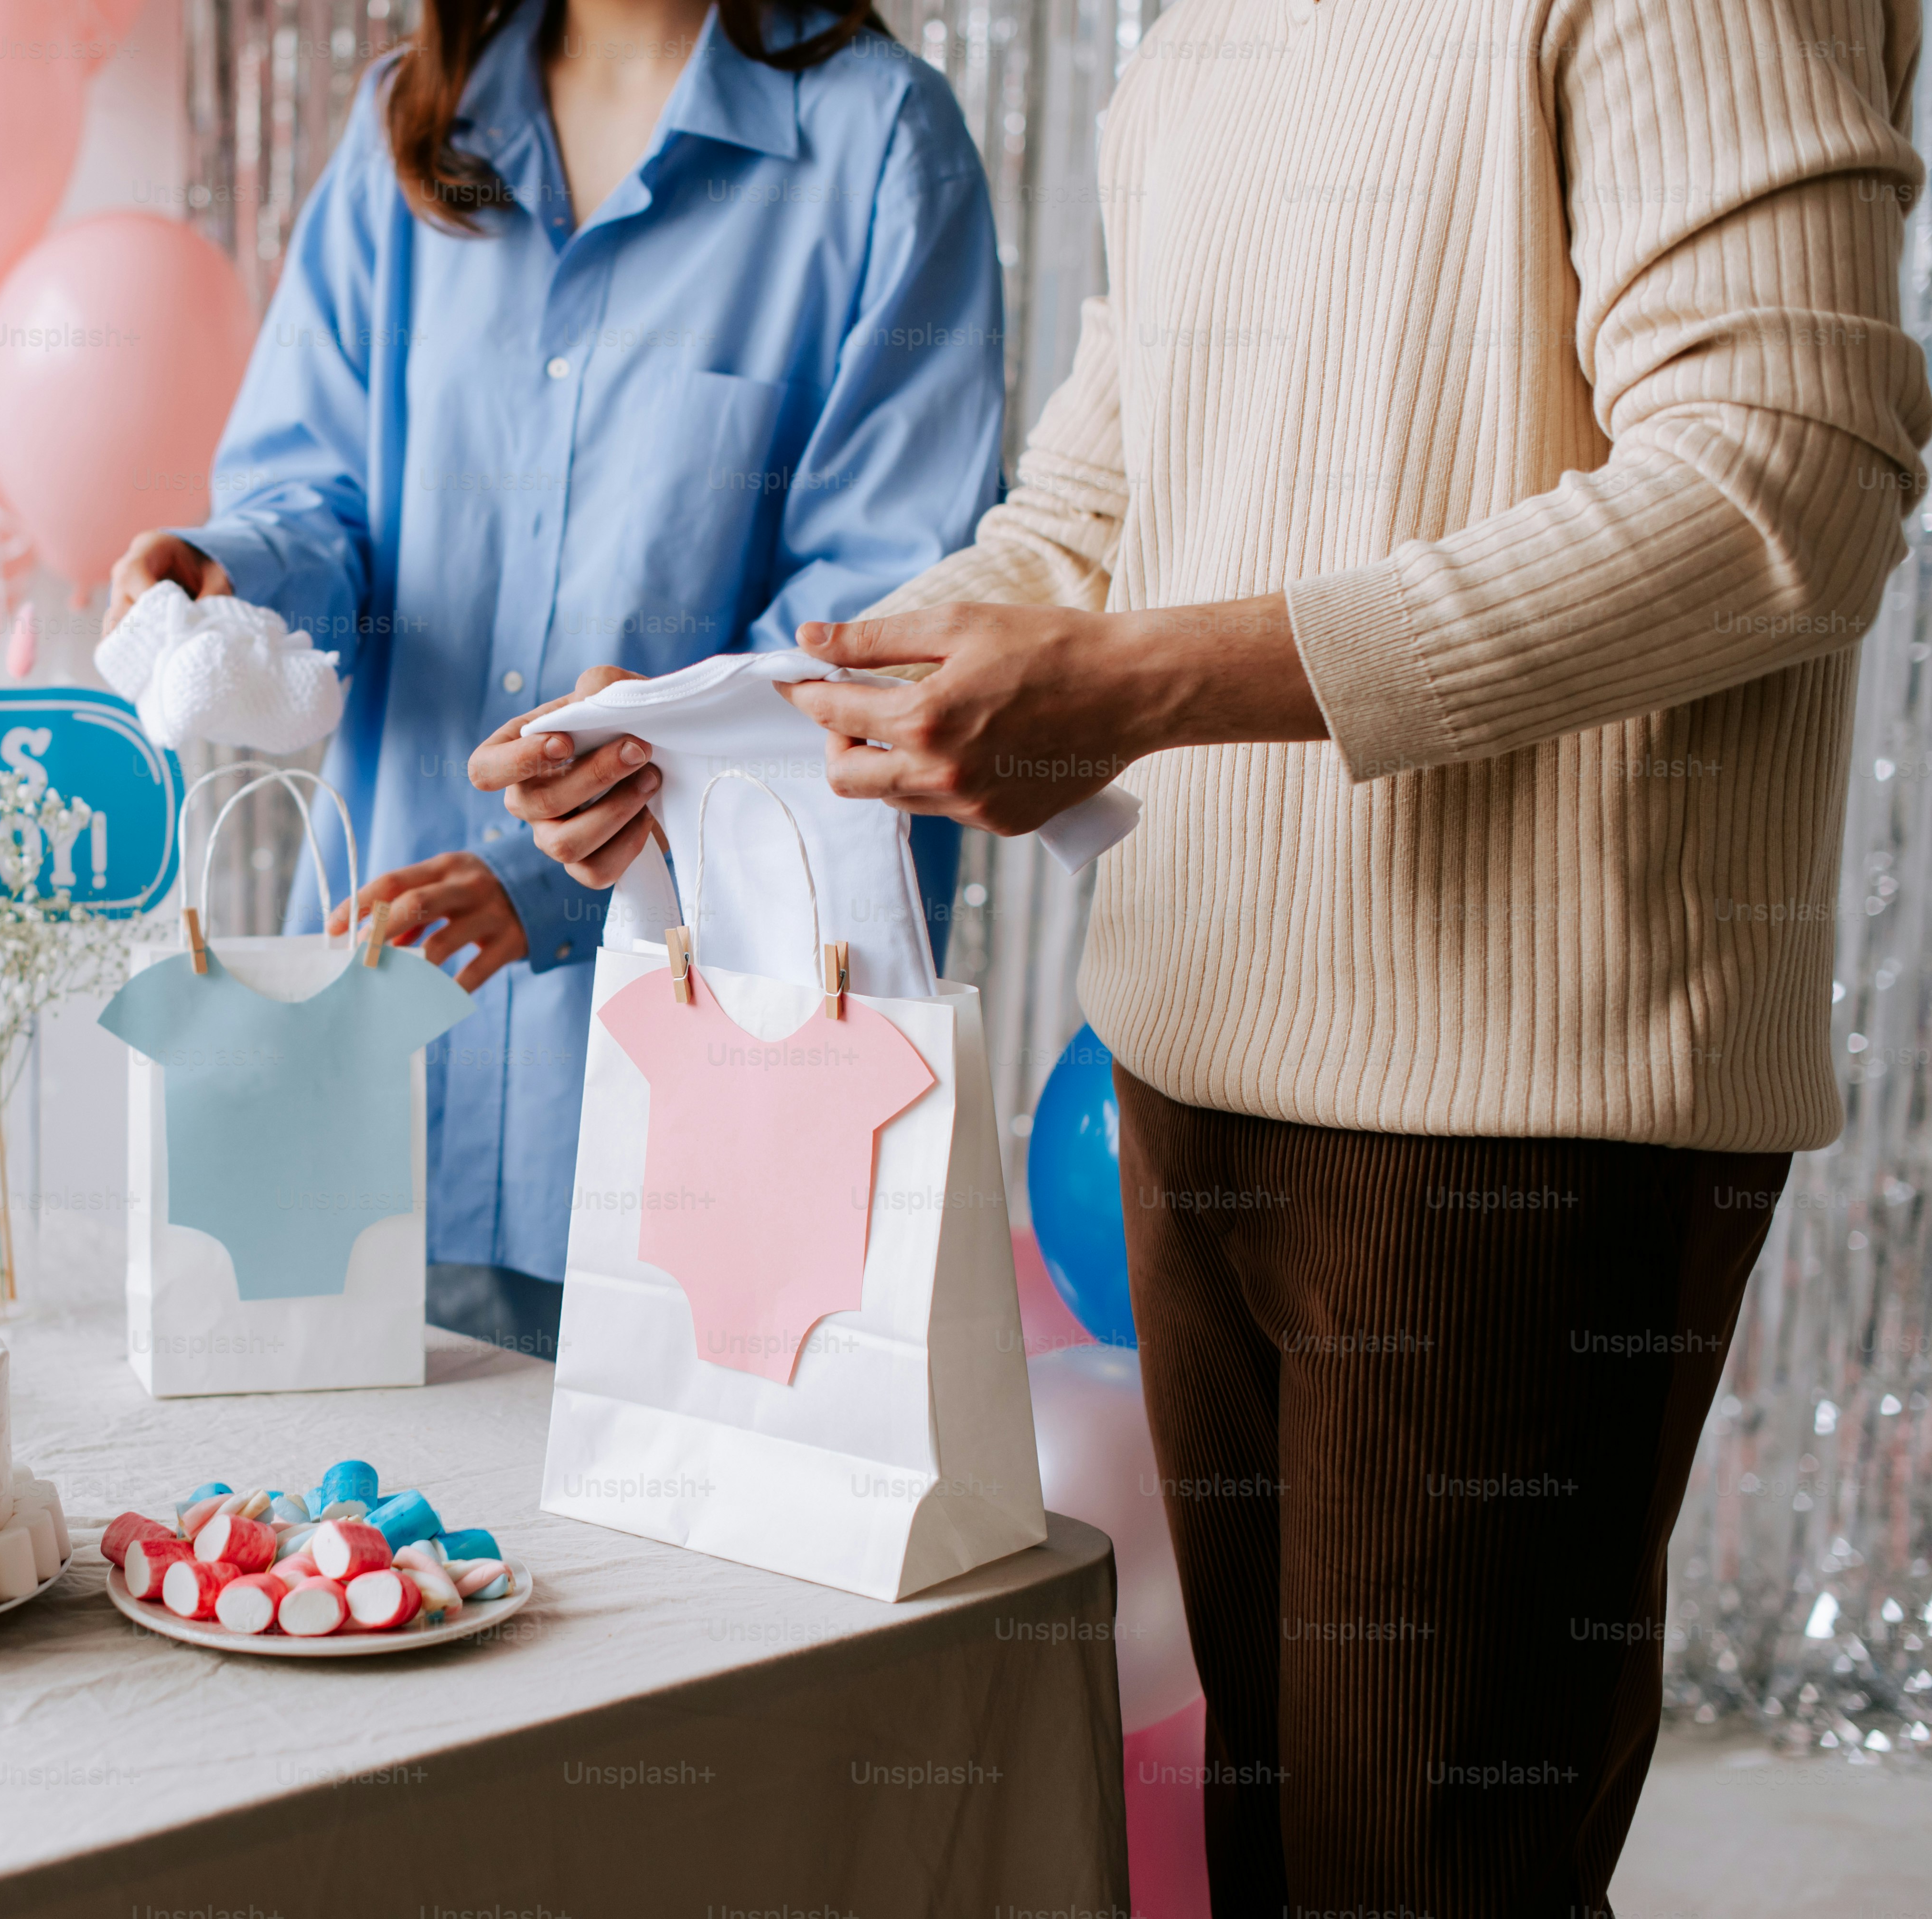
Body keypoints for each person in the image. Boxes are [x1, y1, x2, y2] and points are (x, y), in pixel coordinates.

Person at [480, 0, 1932, 1908]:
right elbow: (1095, 509)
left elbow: (1785, 484)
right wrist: (729, 726)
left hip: (1513, 1104)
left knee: (1416, 1871)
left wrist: (1150, 681)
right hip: (1187, 1055)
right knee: (1271, 1850)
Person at [103, 0, 1004, 1350]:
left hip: (716, 1075)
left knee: (682, 1541)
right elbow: (321, 496)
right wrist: (225, 577)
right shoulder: (413, 123)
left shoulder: (879, 143)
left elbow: (872, 631)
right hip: (383, 1055)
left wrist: (554, 880)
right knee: (367, 1547)